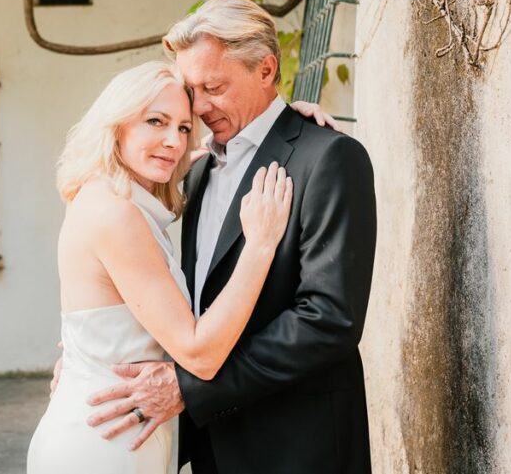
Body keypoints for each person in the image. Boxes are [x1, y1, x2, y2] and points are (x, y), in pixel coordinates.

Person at [85, 0, 377, 473]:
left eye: (214, 87)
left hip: (298, 447)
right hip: (214, 449)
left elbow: (330, 320)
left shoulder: (329, 159)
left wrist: (189, 387)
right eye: (191, 90)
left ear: (266, 71)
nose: (198, 107)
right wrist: (91, 355)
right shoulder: (195, 168)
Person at [27, 60, 328, 473]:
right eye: (155, 121)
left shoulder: (113, 196)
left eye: (184, 128)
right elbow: (199, 354)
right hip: (109, 438)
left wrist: (291, 125)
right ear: (117, 125)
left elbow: (225, 154)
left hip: (119, 426)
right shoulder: (116, 214)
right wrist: (259, 246)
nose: (173, 141)